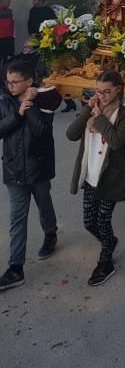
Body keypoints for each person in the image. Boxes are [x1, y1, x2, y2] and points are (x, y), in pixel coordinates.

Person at [66, 71, 125, 286]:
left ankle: (106, 261)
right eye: (99, 91)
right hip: (90, 174)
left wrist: (98, 118)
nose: (103, 95)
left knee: (103, 220)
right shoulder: (93, 106)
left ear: (118, 89)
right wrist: (88, 110)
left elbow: (117, 141)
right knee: (89, 222)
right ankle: (110, 241)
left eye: (107, 91)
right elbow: (71, 134)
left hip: (110, 176)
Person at [0, 61, 61, 291]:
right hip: (14, 170)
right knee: (17, 219)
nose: (10, 85)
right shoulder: (4, 101)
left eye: (15, 82)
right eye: (8, 81)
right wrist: (17, 113)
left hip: (38, 168)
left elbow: (43, 132)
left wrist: (31, 104)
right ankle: (16, 267)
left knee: (44, 204)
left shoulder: (46, 99)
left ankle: (50, 233)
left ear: (29, 81)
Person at [0, 0, 15, 68]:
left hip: (9, 39)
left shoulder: (10, 11)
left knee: (9, 61)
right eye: (7, 0)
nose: (9, 2)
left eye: (10, 0)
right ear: (1, 0)